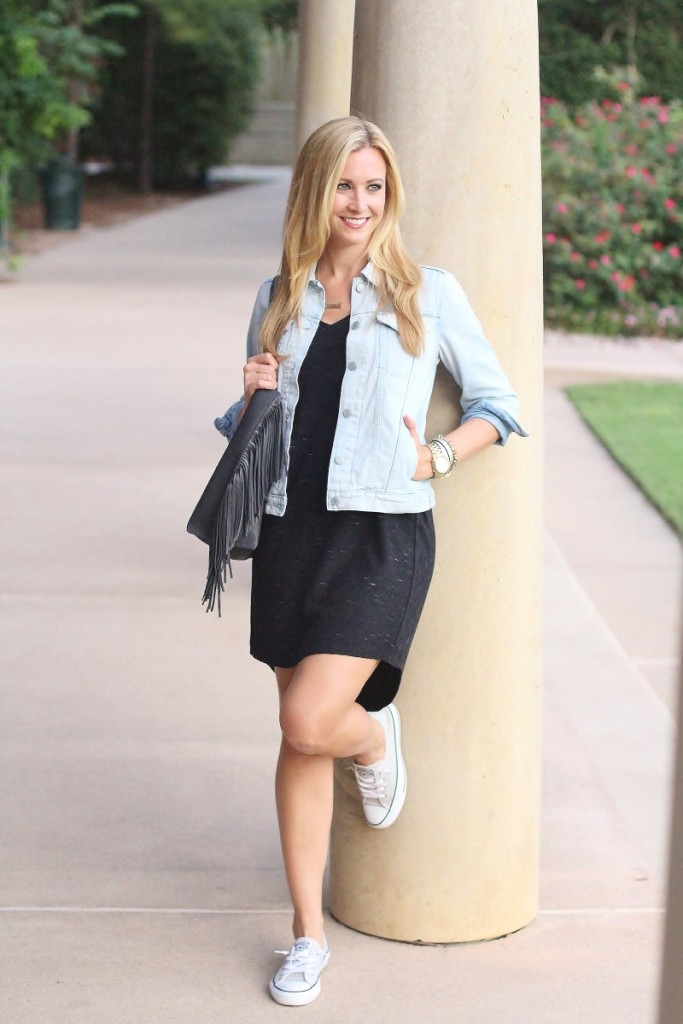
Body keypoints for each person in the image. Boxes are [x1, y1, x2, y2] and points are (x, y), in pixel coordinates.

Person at [215, 116, 527, 1007]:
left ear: (389, 198)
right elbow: (256, 433)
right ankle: (307, 936)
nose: (359, 204)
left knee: (316, 722)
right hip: (290, 530)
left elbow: (497, 405)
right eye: (344, 187)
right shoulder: (279, 295)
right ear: (317, 192)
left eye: (374, 188)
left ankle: (373, 735)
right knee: (294, 736)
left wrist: (435, 455)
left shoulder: (426, 293)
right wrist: (247, 399)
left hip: (381, 530)